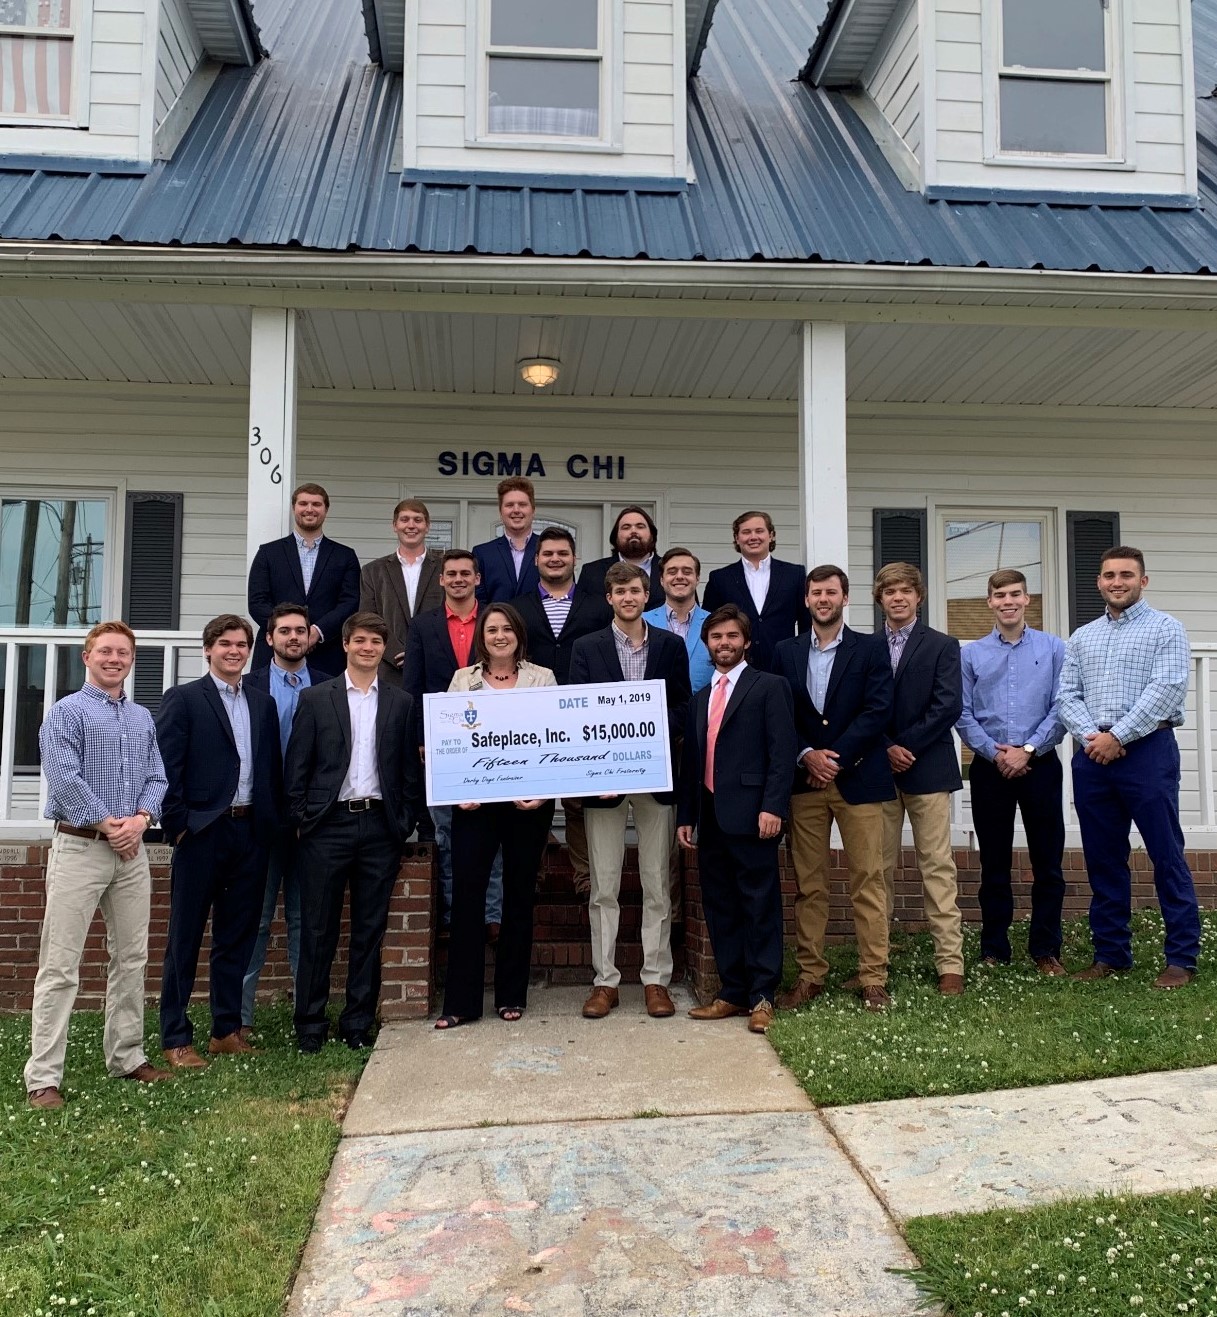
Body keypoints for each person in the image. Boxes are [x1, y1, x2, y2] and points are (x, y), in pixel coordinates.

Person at [24, 622, 170, 1109]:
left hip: (131, 854)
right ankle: (44, 1077)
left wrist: (141, 820)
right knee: (60, 965)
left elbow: (157, 777)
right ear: (87, 657)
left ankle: (128, 1056)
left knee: (131, 958)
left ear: (131, 660)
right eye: (105, 651)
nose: (114, 659)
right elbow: (64, 778)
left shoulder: (142, 717)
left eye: (123, 652)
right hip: (81, 848)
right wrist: (110, 825)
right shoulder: (66, 713)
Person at [1059, 546, 1201, 989]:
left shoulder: (1166, 629)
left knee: (1166, 854)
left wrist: (1117, 736)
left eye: (1125, 574)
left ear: (1143, 580)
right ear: (1099, 582)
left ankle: (1181, 957)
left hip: (1148, 752)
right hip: (1093, 756)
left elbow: (1167, 688)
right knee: (1103, 859)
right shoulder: (1082, 637)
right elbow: (1066, 695)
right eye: (1109, 575)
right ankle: (1111, 954)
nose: (1116, 582)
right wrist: (1093, 737)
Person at [286, 612, 422, 1051]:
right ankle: (310, 1024)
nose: (368, 648)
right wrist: (303, 820)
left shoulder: (401, 702)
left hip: (380, 827)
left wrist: (404, 822)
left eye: (375, 642)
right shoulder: (315, 699)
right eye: (360, 640)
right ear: (345, 644)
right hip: (327, 826)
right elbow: (297, 767)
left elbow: (408, 771)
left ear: (384, 648)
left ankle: (357, 1023)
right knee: (318, 930)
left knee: (369, 930)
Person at [156, 615, 283, 1068]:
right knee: (185, 937)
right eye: (225, 643)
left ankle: (225, 1031)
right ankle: (176, 1036)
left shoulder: (262, 703)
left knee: (237, 936)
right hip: (202, 833)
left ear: (251, 650)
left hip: (251, 832)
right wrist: (179, 825)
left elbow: (270, 770)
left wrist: (270, 826)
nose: (234, 651)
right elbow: (166, 767)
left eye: (242, 644)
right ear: (208, 649)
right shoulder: (185, 699)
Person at [569, 563, 691, 1020]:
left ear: (646, 595)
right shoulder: (587, 647)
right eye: (620, 591)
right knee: (604, 885)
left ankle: (656, 979)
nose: (628, 597)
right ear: (609, 598)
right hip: (605, 779)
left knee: (657, 882)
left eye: (635, 590)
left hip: (655, 775)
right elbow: (576, 710)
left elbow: (683, 706)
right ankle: (605, 981)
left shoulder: (670, 646)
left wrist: (649, 723)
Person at [774, 566, 895, 1012]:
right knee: (810, 885)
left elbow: (878, 711)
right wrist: (807, 754)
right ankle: (810, 975)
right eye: (815, 592)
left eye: (831, 592)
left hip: (858, 779)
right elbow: (780, 713)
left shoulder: (872, 648)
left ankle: (873, 977)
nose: (822, 599)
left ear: (845, 598)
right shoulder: (785, 651)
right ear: (806, 600)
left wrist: (834, 758)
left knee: (868, 880)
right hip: (805, 784)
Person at [434, 605, 556, 1028]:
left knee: (518, 896)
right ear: (481, 637)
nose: (500, 636)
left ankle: (511, 995)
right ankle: (461, 1003)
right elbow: (449, 740)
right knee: (467, 896)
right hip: (475, 805)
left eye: (507, 629)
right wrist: (458, 790)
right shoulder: (461, 680)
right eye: (491, 630)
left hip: (527, 804)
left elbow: (555, 738)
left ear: (519, 634)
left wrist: (542, 794)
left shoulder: (542, 678)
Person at [677, 606, 796, 1034]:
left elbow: (782, 752)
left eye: (731, 636)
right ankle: (732, 992)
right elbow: (693, 762)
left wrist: (773, 807)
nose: (723, 643)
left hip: (754, 815)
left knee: (759, 906)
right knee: (721, 905)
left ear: (746, 641)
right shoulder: (701, 699)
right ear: (707, 644)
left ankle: (763, 996)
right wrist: (687, 815)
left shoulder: (770, 687)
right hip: (710, 817)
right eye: (716, 637)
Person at [957, 569, 1068, 974]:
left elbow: (1062, 706)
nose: (1008, 601)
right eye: (1000, 595)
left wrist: (1028, 750)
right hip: (990, 768)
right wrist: (995, 753)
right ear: (989, 601)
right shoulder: (971, 654)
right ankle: (994, 948)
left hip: (1040, 764)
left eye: (1015, 594)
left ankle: (1046, 949)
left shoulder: (1053, 648)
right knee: (994, 862)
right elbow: (962, 713)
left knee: (1047, 861)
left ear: (1027, 599)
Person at [875, 563, 967, 996]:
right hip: (879, 772)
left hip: (928, 768)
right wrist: (885, 747)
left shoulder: (943, 645)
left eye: (905, 591)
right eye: (890, 591)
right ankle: (876, 962)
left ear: (919, 597)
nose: (898, 597)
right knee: (877, 870)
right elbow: (862, 705)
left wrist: (904, 747)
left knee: (937, 867)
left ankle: (950, 964)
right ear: (880, 599)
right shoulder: (866, 647)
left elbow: (947, 705)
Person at [240, 603, 331, 1034]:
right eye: (284, 631)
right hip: (261, 819)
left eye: (300, 630)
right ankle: (238, 1019)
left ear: (311, 637)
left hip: (314, 820)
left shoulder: (331, 685)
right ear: (269, 638)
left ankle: (305, 1015)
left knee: (305, 920)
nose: (293, 637)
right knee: (255, 920)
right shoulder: (247, 686)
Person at [512, 526, 610, 895]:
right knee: (531, 801)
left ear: (574, 559)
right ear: (536, 559)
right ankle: (531, 878)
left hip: (582, 717)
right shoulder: (516, 607)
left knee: (578, 803)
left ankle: (585, 880)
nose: (555, 559)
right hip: (531, 718)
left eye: (563, 553)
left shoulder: (598, 606)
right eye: (548, 553)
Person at [403, 550, 497, 929]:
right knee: (445, 830)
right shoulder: (422, 626)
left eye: (465, 573)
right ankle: (454, 912)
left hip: (492, 740)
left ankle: (492, 915)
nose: (459, 579)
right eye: (451, 574)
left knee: (492, 830)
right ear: (441, 580)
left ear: (477, 579)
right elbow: (413, 687)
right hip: (441, 744)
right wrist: (420, 738)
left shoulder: (495, 620)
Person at [248, 482, 361, 675]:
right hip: (274, 653)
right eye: (303, 503)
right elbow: (257, 601)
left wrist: (317, 631)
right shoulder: (268, 553)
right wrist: (286, 631)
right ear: (294, 508)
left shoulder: (345, 556)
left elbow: (350, 602)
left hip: (327, 654)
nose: (309, 509)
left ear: (326, 510)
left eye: (316, 504)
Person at [702, 510, 809, 671]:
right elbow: (710, 625)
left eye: (759, 531)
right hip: (737, 668)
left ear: (771, 535)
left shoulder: (795, 574)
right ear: (737, 538)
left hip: (785, 667)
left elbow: (806, 624)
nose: (753, 537)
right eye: (746, 532)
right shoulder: (720, 578)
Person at [358, 498, 444, 685]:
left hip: (434, 666)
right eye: (404, 519)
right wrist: (396, 652)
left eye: (418, 520)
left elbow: (450, 614)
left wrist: (420, 653)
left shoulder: (444, 569)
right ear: (394, 526)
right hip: (389, 668)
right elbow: (368, 619)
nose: (411, 525)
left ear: (427, 526)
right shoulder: (373, 571)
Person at [643, 547, 714, 693]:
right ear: (662, 580)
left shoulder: (714, 623)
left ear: (697, 579)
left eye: (687, 572)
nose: (680, 576)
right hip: (656, 704)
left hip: (704, 705)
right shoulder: (642, 622)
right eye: (672, 572)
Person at [577, 506, 665, 610]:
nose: (633, 531)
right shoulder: (591, 572)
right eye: (626, 527)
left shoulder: (670, 570)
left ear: (652, 535)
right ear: (616, 536)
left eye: (640, 526)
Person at [474, 476, 540, 604]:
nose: (516, 510)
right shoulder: (482, 554)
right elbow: (478, 603)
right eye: (509, 505)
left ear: (533, 510)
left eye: (522, 504)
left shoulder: (549, 551)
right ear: (500, 512)